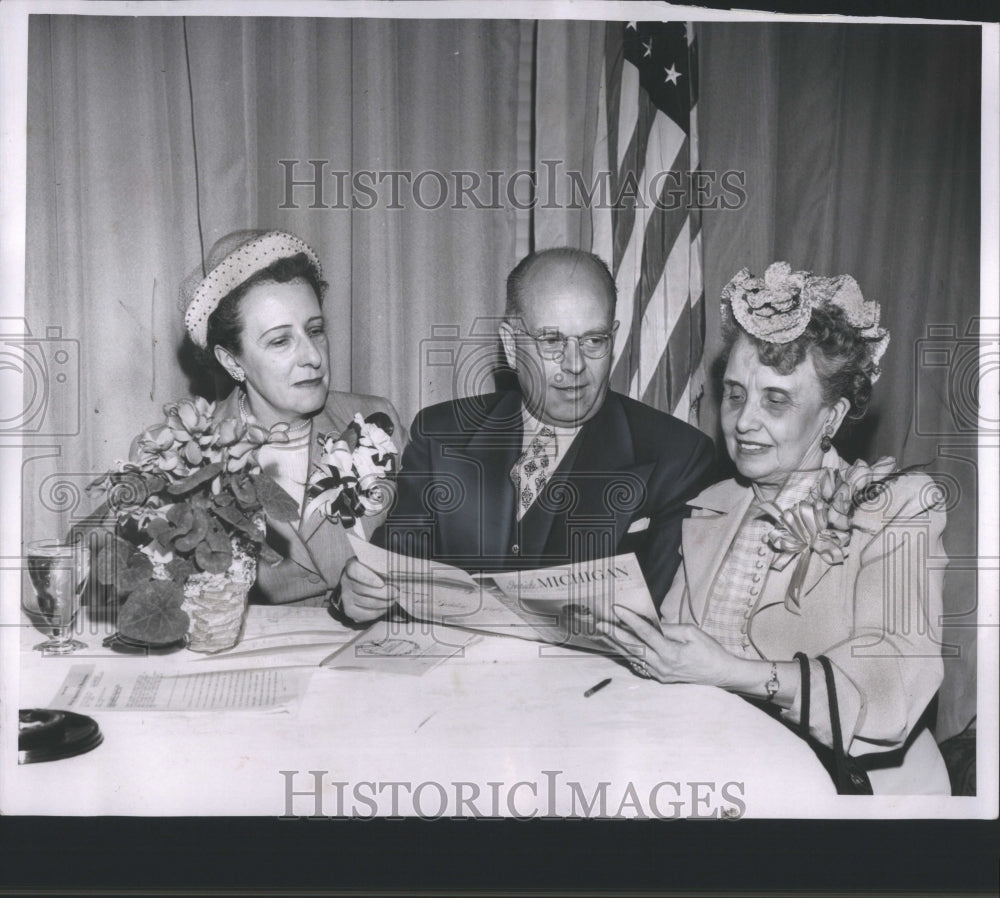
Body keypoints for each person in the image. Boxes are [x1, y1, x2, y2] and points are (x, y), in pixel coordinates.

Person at [600, 262, 949, 794]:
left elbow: (892, 682)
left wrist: (728, 670)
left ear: (832, 417)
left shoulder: (900, 508)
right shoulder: (710, 505)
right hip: (729, 772)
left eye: (776, 400)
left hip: (857, 788)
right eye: (736, 394)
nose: (742, 422)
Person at [339, 247, 715, 623]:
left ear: (613, 338)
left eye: (594, 340)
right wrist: (359, 593)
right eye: (551, 341)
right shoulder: (442, 435)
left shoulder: (678, 455)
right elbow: (388, 571)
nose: (575, 365)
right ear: (510, 344)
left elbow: (665, 623)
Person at [180, 229, 406, 605]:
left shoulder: (374, 419)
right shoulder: (192, 456)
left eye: (315, 331)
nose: (313, 357)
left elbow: (428, 551)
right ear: (231, 361)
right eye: (281, 341)